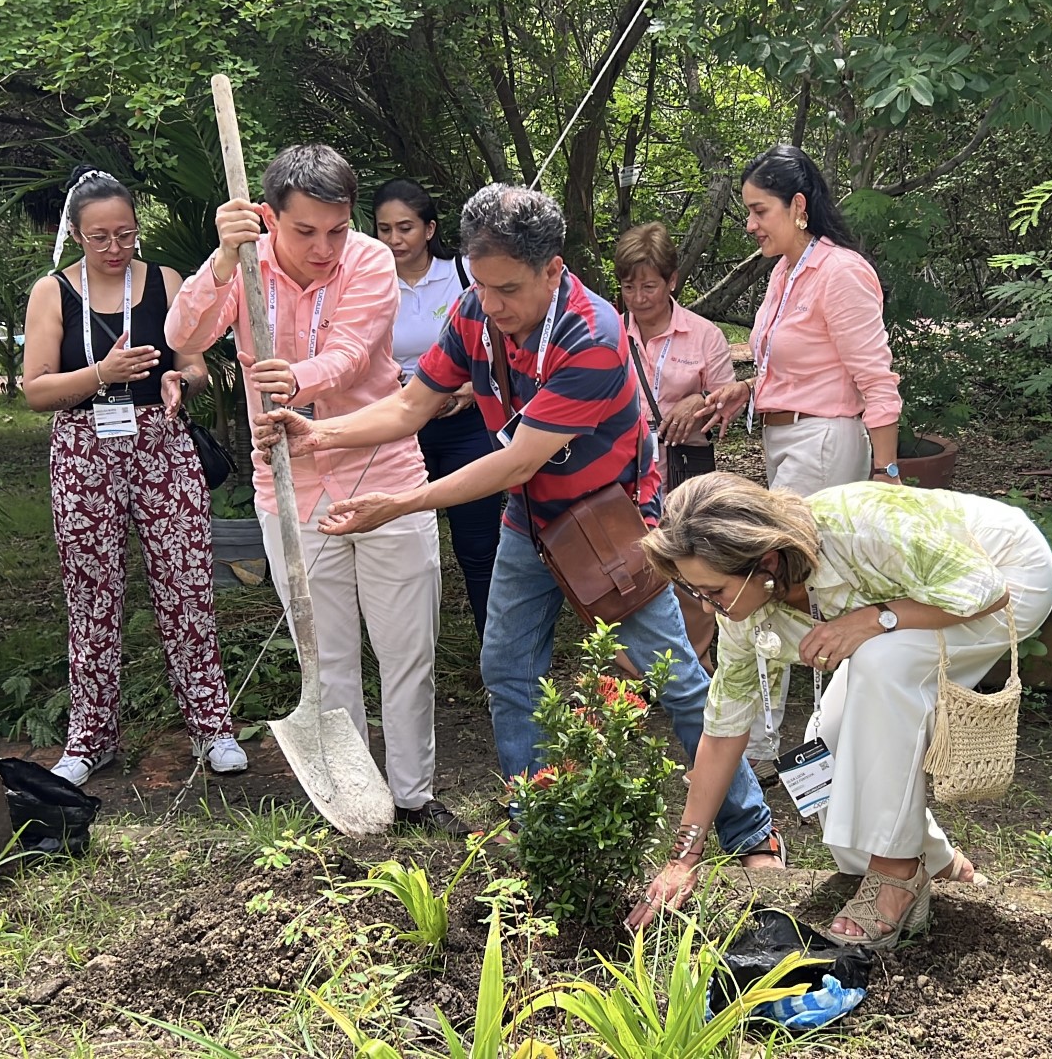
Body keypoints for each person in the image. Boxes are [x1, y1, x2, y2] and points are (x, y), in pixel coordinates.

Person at [253, 184, 783, 867]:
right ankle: (536, 821)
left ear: (552, 269)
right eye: (481, 284)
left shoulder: (591, 336)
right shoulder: (475, 310)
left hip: (613, 521)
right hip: (530, 519)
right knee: (506, 668)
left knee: (673, 674)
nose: (492, 304)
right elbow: (411, 405)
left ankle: (751, 831)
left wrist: (403, 503)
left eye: (508, 288)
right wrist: (321, 432)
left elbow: (517, 459)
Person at [167, 145, 476, 836]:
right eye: (305, 231)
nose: (323, 248)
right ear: (268, 216)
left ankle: (413, 796)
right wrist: (223, 261)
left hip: (385, 478)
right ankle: (354, 800)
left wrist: (295, 380)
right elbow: (183, 333)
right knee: (326, 659)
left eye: (336, 229)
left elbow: (353, 354)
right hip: (290, 490)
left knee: (407, 652)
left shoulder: (369, 261)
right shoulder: (245, 263)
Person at [626, 473, 1052, 947]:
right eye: (698, 593)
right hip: (920, 604)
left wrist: (874, 619)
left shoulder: (860, 525)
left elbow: (987, 589)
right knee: (829, 740)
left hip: (1004, 573)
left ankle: (897, 872)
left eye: (716, 592)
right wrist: (684, 857)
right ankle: (940, 864)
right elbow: (723, 729)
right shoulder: (744, 613)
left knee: (882, 664)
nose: (709, 609)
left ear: (765, 562)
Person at [22, 167, 242, 787]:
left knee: (187, 585)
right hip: (83, 448)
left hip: (161, 444)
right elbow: (36, 390)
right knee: (92, 593)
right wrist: (103, 373)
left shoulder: (165, 282)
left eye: (125, 234)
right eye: (100, 237)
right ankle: (90, 739)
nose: (115, 247)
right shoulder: (52, 292)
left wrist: (180, 381)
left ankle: (213, 727)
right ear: (76, 235)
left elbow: (195, 365)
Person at [700, 144, 904, 775]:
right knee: (793, 585)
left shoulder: (841, 272)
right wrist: (746, 389)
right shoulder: (786, 271)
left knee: (779, 583)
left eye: (759, 211)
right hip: (786, 439)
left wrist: (886, 474)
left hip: (823, 443)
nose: (750, 224)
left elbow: (876, 380)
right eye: (747, 212)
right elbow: (792, 362)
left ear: (797, 205)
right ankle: (800, 742)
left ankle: (766, 749)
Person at [372, 178, 501, 634]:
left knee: (478, 544)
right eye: (384, 229)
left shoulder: (464, 273)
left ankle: (494, 650)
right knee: (399, 541)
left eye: (405, 227)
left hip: (468, 424)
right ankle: (410, 644)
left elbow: (502, 341)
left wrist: (471, 386)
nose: (394, 239)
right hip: (401, 427)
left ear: (429, 229)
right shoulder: (369, 282)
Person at [614, 222, 738, 670]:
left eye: (649, 286)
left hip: (686, 464)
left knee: (691, 559)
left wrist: (700, 400)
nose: (639, 298)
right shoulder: (609, 332)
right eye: (629, 287)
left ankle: (694, 662)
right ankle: (633, 670)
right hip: (623, 468)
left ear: (672, 281)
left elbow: (729, 403)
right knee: (629, 564)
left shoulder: (704, 335)